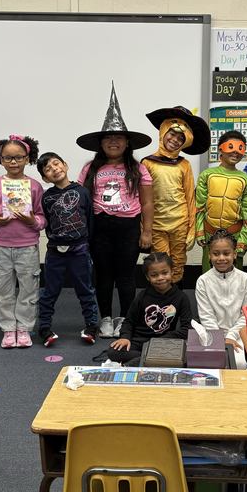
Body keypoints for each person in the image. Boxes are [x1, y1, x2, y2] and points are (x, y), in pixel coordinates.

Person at [77, 84, 154, 338]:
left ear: (127, 142)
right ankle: (106, 317)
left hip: (128, 228)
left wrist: (147, 232)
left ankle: (124, 318)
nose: (113, 141)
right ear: (100, 142)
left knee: (126, 276)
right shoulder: (90, 168)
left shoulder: (137, 168)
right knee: (103, 275)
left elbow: (147, 203)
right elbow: (80, 200)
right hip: (99, 227)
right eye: (108, 138)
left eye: (118, 137)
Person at [0, 134, 45, 349]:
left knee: (28, 288)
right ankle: (8, 329)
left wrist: (32, 220)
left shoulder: (34, 186)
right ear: (0, 159)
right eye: (8, 158)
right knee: (3, 289)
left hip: (27, 246)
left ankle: (24, 328)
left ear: (28, 158)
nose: (13, 162)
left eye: (18, 157)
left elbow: (43, 218)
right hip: (3, 245)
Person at [35, 151, 99, 347]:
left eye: (56, 163)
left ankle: (91, 326)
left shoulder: (82, 192)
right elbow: (46, 222)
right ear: (45, 177)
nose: (54, 169)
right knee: (49, 291)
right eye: (48, 168)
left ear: (66, 164)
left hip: (79, 250)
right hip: (55, 251)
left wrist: (88, 245)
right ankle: (44, 327)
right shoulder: (46, 197)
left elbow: (90, 219)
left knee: (85, 289)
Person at [141, 106, 210, 285]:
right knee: (159, 263)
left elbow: (190, 197)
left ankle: (175, 300)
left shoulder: (184, 164)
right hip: (156, 224)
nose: (175, 140)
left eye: (181, 138)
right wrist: (144, 227)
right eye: (172, 134)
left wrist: (191, 229)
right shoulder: (147, 163)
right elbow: (142, 199)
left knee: (178, 263)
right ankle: (159, 301)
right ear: (163, 131)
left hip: (180, 222)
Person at [109, 252, 192, 364]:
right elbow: (129, 321)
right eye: (154, 275)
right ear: (148, 277)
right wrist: (125, 337)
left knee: (187, 355)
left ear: (172, 272)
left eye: (165, 273)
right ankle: (146, 359)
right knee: (113, 352)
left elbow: (186, 328)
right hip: (139, 341)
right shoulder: (142, 296)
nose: (160, 278)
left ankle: (140, 361)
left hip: (164, 342)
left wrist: (161, 340)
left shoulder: (181, 297)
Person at [194, 129, 247, 270]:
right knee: (208, 274)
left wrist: (244, 240)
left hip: (235, 234)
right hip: (210, 231)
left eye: (240, 148)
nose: (236, 152)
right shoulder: (206, 175)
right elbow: (199, 206)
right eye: (230, 147)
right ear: (220, 149)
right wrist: (199, 231)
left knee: (235, 276)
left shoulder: (245, 179)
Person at [194, 231, 247, 368]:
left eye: (226, 253)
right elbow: (206, 315)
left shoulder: (244, 279)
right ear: (209, 256)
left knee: (238, 363)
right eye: (216, 254)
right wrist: (219, 339)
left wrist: (231, 336)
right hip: (211, 333)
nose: (221, 258)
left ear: (234, 254)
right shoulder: (203, 281)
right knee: (211, 363)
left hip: (239, 333)